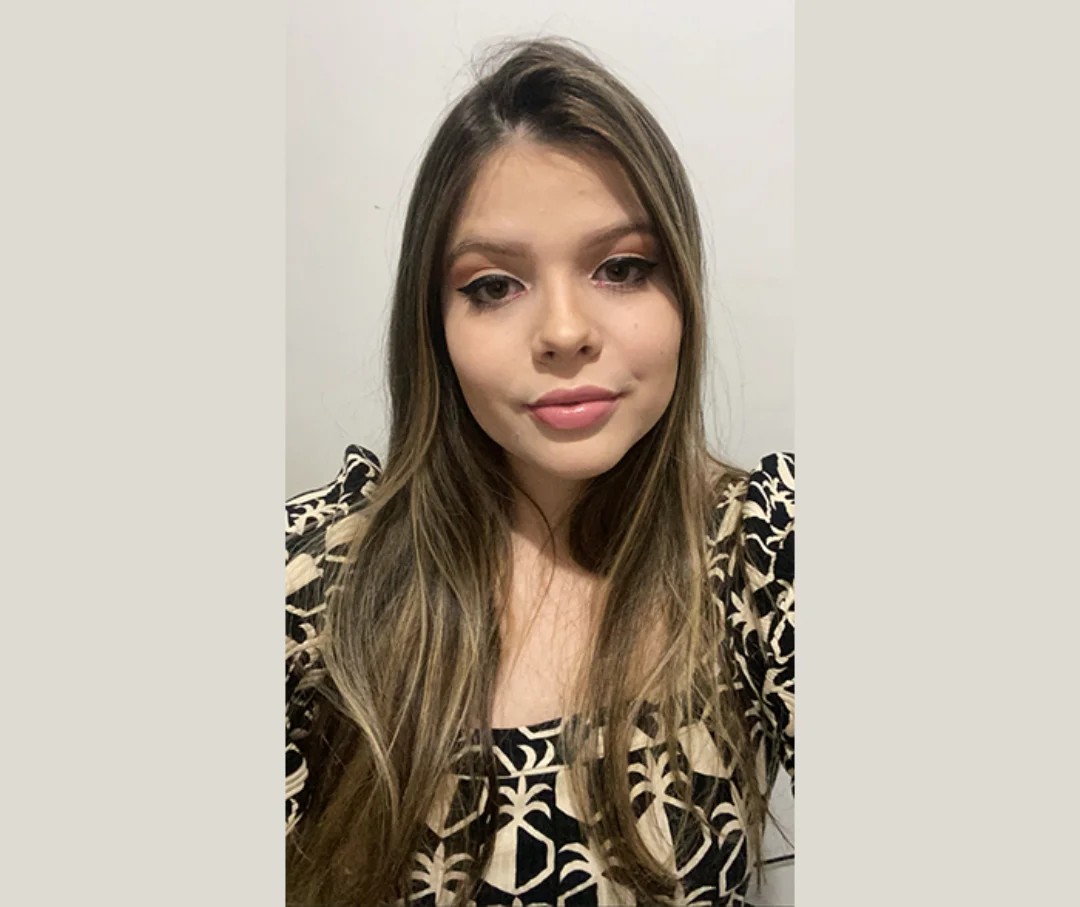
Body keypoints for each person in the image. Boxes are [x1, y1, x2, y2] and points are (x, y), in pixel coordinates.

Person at [285, 36, 793, 907]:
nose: (563, 331)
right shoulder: (312, 581)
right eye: (493, 284)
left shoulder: (763, 553)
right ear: (434, 325)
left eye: (622, 268)